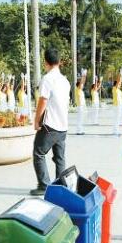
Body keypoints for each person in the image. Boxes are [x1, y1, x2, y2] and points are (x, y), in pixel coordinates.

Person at [31, 47, 70, 196]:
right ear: (59, 62)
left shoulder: (47, 79)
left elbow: (43, 101)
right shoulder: (65, 81)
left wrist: (36, 121)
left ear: (45, 62)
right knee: (59, 157)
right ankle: (61, 186)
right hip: (63, 126)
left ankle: (43, 185)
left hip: (50, 125)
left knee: (38, 153)